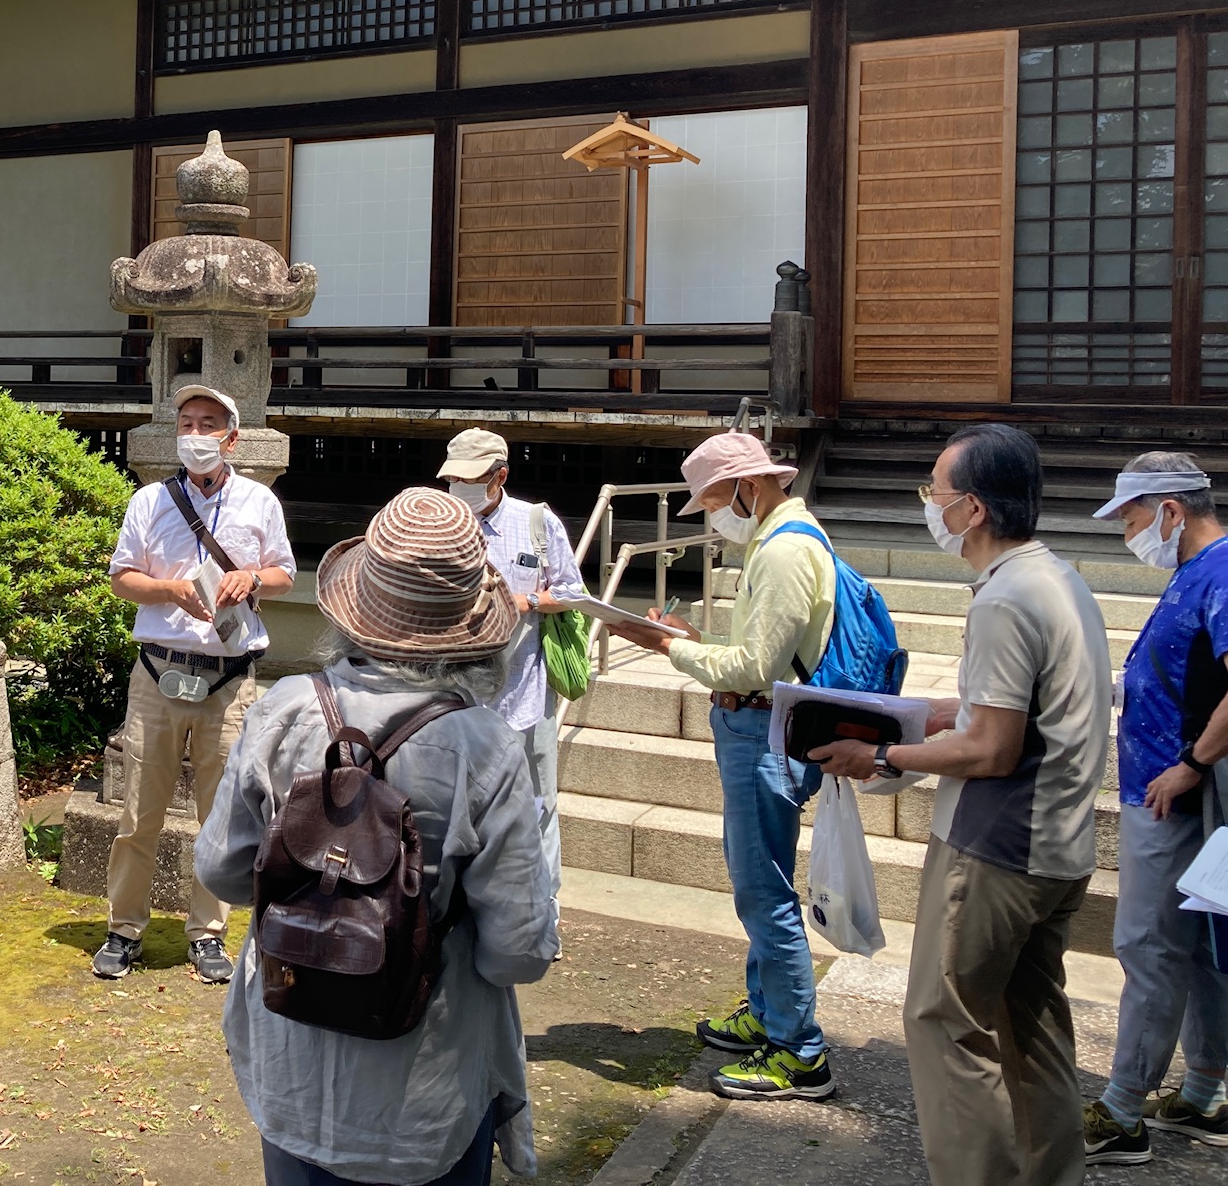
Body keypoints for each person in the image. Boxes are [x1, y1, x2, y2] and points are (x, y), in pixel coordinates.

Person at [194, 487, 557, 1185]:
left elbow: (223, 871)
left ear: (354, 607)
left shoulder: (283, 709)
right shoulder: (484, 745)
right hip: (425, 1081)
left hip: (292, 1049)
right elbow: (516, 951)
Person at [813, 424, 1110, 1186]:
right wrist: (936, 712)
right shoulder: (1057, 577)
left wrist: (880, 755)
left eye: (934, 492)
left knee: (944, 1021)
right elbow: (1012, 713)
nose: (928, 506)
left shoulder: (1004, 598)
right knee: (1030, 1027)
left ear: (972, 507)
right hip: (1057, 844)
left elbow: (991, 749)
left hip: (996, 846)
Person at [610, 429, 836, 1101]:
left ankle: (799, 1050)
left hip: (765, 730)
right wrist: (693, 638)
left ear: (748, 485)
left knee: (764, 892)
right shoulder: (780, 539)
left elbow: (753, 667)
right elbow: (755, 653)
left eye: (713, 500)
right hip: (761, 723)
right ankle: (768, 1013)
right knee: (758, 884)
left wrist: (668, 647)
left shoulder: (784, 549)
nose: (712, 515)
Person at [99, 385, 296, 983]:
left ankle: (208, 932)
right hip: (158, 672)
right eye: (186, 422)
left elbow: (285, 574)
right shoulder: (149, 500)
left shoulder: (259, 501)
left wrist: (251, 580)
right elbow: (122, 578)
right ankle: (124, 928)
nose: (195, 434)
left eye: (208, 424)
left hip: (229, 679)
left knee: (221, 815)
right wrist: (171, 590)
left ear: (230, 439)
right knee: (139, 812)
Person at [1077, 453, 1228, 1162]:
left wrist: (1190, 764)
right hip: (1175, 788)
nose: (1126, 533)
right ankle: (1201, 1090)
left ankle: (1121, 1109)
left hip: (1174, 794)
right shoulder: (1198, 571)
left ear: (1170, 510)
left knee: (1149, 943)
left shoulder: (1218, 571)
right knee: (1198, 945)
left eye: (1130, 518)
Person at [436, 426, 579, 958]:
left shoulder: (536, 522)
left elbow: (571, 591)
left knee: (537, 805)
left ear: (500, 476)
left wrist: (527, 602)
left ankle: (542, 914)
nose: (460, 488)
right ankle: (462, 911)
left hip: (524, 688)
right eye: (453, 479)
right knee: (456, 806)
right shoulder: (441, 523)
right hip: (453, 694)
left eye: (471, 479)